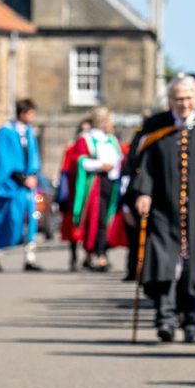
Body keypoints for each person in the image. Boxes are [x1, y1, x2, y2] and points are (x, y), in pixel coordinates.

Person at [132, 76, 195, 342]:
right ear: (170, 101)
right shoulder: (158, 128)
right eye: (178, 98)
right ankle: (165, 318)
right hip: (165, 208)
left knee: (193, 268)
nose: (184, 103)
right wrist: (143, 192)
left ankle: (191, 322)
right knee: (164, 264)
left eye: (188, 98)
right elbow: (147, 166)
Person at [0, 98, 43, 272]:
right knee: (5, 219)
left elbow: (33, 157)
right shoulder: (5, 132)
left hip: (26, 187)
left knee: (32, 219)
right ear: (22, 113)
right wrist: (22, 178)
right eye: (31, 113)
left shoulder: (28, 132)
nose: (33, 117)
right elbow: (4, 161)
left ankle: (30, 257)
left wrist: (33, 175)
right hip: (11, 186)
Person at [72, 107, 123, 271]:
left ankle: (97, 253)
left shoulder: (112, 140)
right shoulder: (86, 139)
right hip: (94, 184)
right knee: (96, 219)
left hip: (111, 183)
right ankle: (98, 254)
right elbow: (79, 161)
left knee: (106, 220)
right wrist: (101, 165)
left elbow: (119, 160)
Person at [59, 119, 93, 272]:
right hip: (75, 195)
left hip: (91, 193)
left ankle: (89, 258)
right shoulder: (72, 149)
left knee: (90, 226)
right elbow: (65, 171)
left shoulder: (95, 147)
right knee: (73, 227)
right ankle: (73, 258)